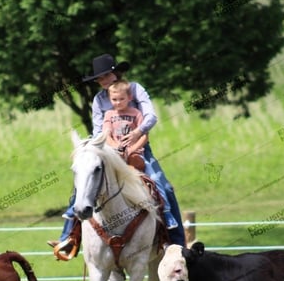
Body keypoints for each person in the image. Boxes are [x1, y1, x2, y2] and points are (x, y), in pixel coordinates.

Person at [48, 53, 186, 259]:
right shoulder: (98, 100)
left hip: (139, 149)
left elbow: (151, 116)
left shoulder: (135, 89)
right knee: (84, 183)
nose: (102, 81)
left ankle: (177, 243)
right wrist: (110, 145)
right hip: (109, 152)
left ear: (115, 73)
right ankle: (69, 237)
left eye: (105, 76)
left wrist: (137, 134)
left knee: (163, 185)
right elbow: (97, 131)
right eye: (99, 78)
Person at [101, 78, 146, 173]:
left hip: (134, 153)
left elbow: (145, 136)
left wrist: (131, 150)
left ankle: (153, 187)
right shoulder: (109, 114)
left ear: (129, 97)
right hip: (115, 152)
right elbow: (106, 135)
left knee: (137, 164)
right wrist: (116, 148)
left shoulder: (136, 113)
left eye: (122, 99)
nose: (118, 102)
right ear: (110, 99)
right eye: (114, 99)